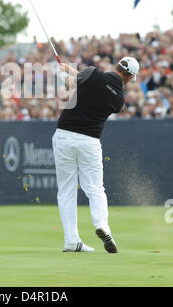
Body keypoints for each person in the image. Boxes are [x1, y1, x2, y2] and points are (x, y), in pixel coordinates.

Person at [52, 57, 140, 253]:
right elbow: (92, 83)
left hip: (64, 135)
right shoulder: (119, 99)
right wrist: (68, 69)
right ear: (130, 77)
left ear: (117, 65)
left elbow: (75, 80)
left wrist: (65, 70)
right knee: (95, 188)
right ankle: (102, 225)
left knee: (66, 190)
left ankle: (71, 240)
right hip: (89, 142)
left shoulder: (92, 73)